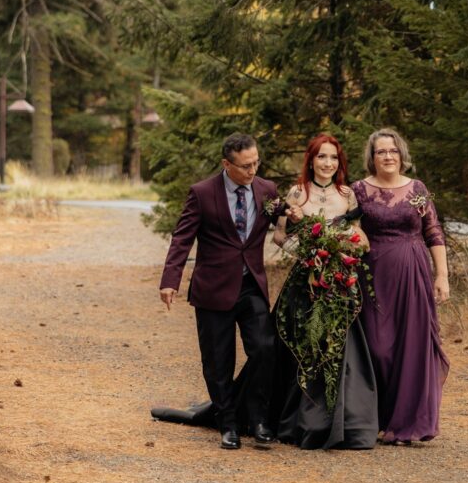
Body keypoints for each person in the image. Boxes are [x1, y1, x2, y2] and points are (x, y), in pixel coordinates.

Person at [158, 131, 282, 450]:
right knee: (218, 361)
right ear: (227, 164)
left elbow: (285, 225)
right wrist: (170, 279)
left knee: (265, 349)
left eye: (256, 163)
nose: (253, 170)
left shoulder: (267, 190)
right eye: (245, 166)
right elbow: (182, 237)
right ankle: (227, 424)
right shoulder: (202, 193)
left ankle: (258, 419)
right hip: (213, 290)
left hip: (251, 285)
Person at [272, 134, 378, 450]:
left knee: (337, 346)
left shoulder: (347, 194)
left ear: (339, 162)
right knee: (303, 343)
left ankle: (342, 421)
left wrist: (341, 247)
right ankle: (296, 420)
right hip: (304, 282)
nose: (327, 163)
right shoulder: (296, 193)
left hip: (339, 281)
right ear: (311, 160)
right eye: (321, 157)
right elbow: (279, 236)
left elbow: (360, 237)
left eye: (333, 157)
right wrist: (307, 253)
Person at [352, 128, 450, 444]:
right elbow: (348, 229)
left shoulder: (417, 188)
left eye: (393, 150)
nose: (388, 156)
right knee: (378, 348)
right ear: (372, 157)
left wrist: (442, 275)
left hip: (413, 275)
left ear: (401, 154)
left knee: (412, 348)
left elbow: (433, 232)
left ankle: (407, 422)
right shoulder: (358, 190)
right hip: (373, 276)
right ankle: (377, 417)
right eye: (381, 151)